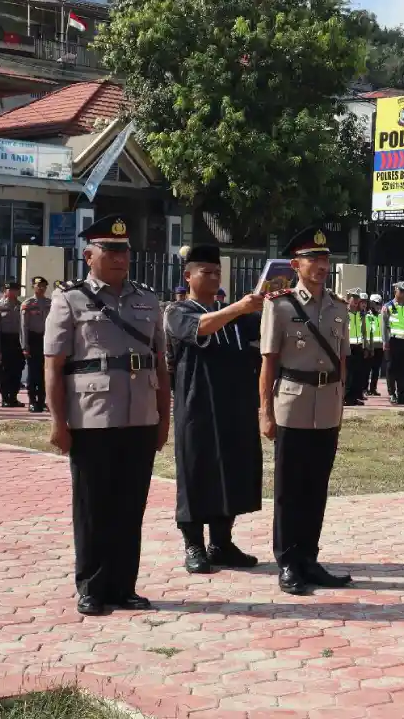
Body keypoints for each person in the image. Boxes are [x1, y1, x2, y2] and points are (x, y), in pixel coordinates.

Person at [43, 214, 170, 616]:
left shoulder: (148, 299)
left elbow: (160, 363)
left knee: (130, 507)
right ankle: (92, 586)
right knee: (93, 506)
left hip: (140, 417)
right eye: (110, 250)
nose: (119, 257)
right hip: (92, 419)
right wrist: (58, 422)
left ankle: (123, 586)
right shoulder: (69, 299)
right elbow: (53, 366)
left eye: (124, 250)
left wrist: (163, 418)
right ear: (88, 255)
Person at [259, 226, 351, 596]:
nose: (321, 265)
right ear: (296, 264)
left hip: (327, 405)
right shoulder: (279, 305)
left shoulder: (339, 307)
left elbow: (342, 360)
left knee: (316, 487)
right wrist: (265, 411)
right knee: (289, 488)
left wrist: (340, 405)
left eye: (325, 258)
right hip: (292, 405)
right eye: (313, 259)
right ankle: (288, 561)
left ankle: (309, 559)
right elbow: (269, 363)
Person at [165, 244, 264, 575]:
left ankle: (222, 543)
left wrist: (273, 299)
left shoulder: (235, 315)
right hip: (197, 407)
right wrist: (238, 307)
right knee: (196, 472)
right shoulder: (178, 311)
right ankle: (193, 544)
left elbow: (265, 328)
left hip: (235, 405)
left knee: (232, 471)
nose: (213, 277)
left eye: (217, 272)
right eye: (206, 272)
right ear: (188, 276)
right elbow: (202, 327)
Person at [0, 282, 26, 408]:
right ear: (5, 291)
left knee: (17, 370)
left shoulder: (22, 306)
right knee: (4, 371)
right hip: (4, 340)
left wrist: (25, 345)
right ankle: (5, 398)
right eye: (9, 290)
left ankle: (14, 397)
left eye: (15, 290)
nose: (12, 292)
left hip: (18, 341)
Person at [21, 277, 51, 413]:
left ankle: (42, 400)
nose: (41, 288)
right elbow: (23, 327)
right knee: (33, 373)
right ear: (33, 286)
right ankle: (32, 401)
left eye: (44, 286)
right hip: (33, 340)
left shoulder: (50, 303)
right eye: (39, 286)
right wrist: (24, 345)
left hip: (46, 340)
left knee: (45, 372)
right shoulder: (27, 304)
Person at [381, 281, 404, 405]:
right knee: (391, 369)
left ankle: (402, 395)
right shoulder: (388, 307)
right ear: (395, 291)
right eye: (401, 291)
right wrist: (385, 341)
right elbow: (384, 326)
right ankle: (392, 394)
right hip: (393, 341)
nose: (403, 294)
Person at [344, 290, 367, 407]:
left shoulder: (360, 314)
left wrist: (365, 346)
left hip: (358, 346)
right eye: (354, 298)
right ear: (348, 299)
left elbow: (363, 331)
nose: (356, 300)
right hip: (348, 346)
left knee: (358, 373)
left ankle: (355, 397)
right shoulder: (344, 313)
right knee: (349, 374)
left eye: (357, 298)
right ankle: (347, 397)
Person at [365, 294, 384, 396]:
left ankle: (373, 388)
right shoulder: (367, 316)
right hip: (370, 346)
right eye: (376, 303)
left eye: (379, 303)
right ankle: (365, 388)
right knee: (367, 369)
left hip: (380, 346)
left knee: (376, 369)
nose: (378, 305)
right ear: (371, 304)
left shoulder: (381, 316)